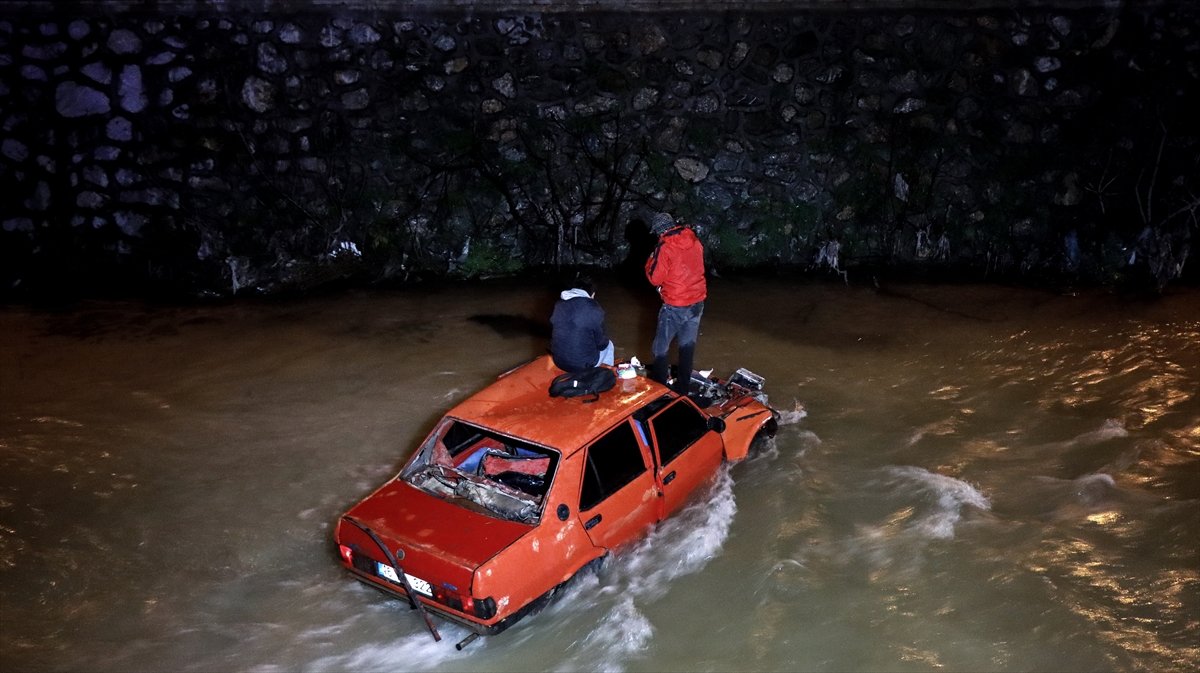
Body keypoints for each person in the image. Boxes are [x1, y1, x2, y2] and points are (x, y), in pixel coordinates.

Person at [644, 211, 706, 396]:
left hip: (675, 305)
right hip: (697, 303)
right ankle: (683, 390)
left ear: (659, 231)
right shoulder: (694, 240)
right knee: (687, 347)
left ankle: (660, 393)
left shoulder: (665, 246)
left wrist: (650, 261)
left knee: (659, 349)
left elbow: (655, 278)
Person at [549, 276, 614, 373]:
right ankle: (605, 375)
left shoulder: (559, 304)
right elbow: (602, 344)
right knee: (609, 346)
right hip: (583, 365)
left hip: (558, 361)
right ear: (592, 294)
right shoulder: (593, 307)